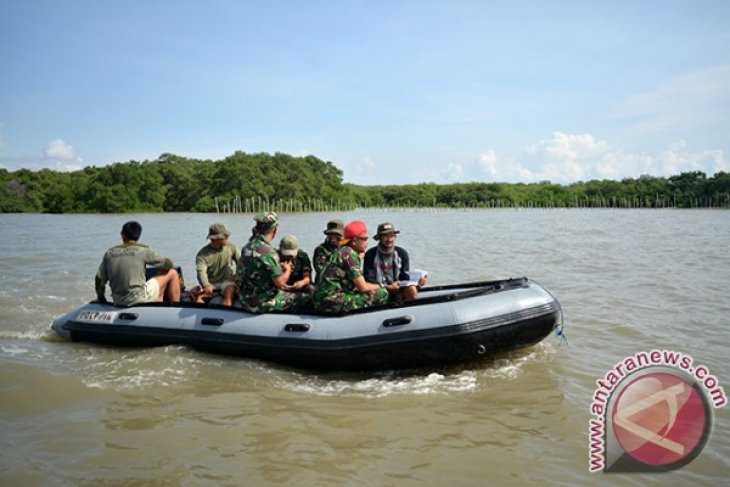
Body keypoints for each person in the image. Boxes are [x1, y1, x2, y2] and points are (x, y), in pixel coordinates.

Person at [236, 212, 310, 313]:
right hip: (262, 302)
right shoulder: (268, 252)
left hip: (245, 299)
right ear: (275, 229)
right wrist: (287, 270)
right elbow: (281, 283)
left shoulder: (247, 247)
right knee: (306, 297)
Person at [95, 221, 180, 306]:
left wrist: (101, 297)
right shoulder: (143, 250)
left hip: (118, 300)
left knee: (160, 290)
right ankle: (175, 307)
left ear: (122, 235)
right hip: (139, 298)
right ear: (138, 236)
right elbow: (168, 264)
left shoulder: (109, 253)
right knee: (172, 273)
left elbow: (99, 278)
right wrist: (161, 269)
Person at [313, 220, 389, 314]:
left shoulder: (343, 251)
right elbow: (363, 287)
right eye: (364, 239)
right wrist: (383, 285)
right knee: (382, 293)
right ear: (354, 241)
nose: (367, 242)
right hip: (329, 301)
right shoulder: (349, 254)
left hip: (324, 298)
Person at [363, 222, 427, 301]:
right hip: (379, 290)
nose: (389, 239)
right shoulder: (370, 255)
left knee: (412, 289)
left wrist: (418, 284)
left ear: (395, 237)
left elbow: (405, 278)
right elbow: (369, 281)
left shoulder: (402, 253)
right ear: (379, 238)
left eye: (391, 236)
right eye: (385, 236)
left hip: (398, 289)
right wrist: (388, 287)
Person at [192, 223, 241, 306]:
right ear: (215, 238)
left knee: (230, 290)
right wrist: (206, 285)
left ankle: (226, 313)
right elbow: (201, 272)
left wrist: (237, 275)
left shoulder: (231, 247)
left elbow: (241, 261)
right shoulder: (202, 254)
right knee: (199, 298)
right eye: (224, 236)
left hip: (227, 281)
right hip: (211, 284)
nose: (227, 238)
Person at [312, 219, 344, 284]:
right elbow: (321, 271)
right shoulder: (320, 250)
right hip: (325, 286)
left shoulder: (346, 249)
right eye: (330, 234)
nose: (333, 237)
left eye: (336, 234)